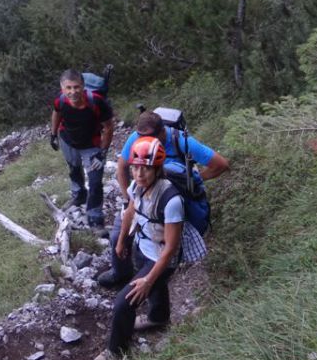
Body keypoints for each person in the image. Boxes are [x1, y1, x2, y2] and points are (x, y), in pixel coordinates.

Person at [97, 110, 229, 288]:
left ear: (162, 132)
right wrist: (128, 198)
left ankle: (154, 280)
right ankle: (120, 273)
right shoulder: (137, 137)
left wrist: (195, 181)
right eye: (140, 136)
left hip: (169, 202)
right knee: (117, 237)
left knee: (164, 244)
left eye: (149, 137)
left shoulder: (181, 141)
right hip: (140, 196)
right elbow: (122, 167)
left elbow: (221, 164)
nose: (142, 141)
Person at [93, 136, 182, 360]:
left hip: (162, 257)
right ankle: (158, 318)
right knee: (157, 287)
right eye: (135, 168)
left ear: (157, 169)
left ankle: (116, 351)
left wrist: (148, 280)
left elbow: (171, 247)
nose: (139, 174)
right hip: (144, 247)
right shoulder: (136, 187)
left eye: (146, 169)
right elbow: (130, 213)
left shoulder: (171, 200)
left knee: (124, 302)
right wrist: (121, 241)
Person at [50, 69, 114, 228]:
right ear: (62, 88)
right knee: (73, 168)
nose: (73, 92)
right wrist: (53, 134)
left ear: (83, 86)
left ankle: (95, 216)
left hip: (92, 145)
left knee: (95, 181)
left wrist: (102, 153)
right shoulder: (60, 100)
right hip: (68, 140)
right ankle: (79, 195)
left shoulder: (97, 102)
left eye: (77, 87)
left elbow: (108, 128)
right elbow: (56, 113)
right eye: (68, 88)